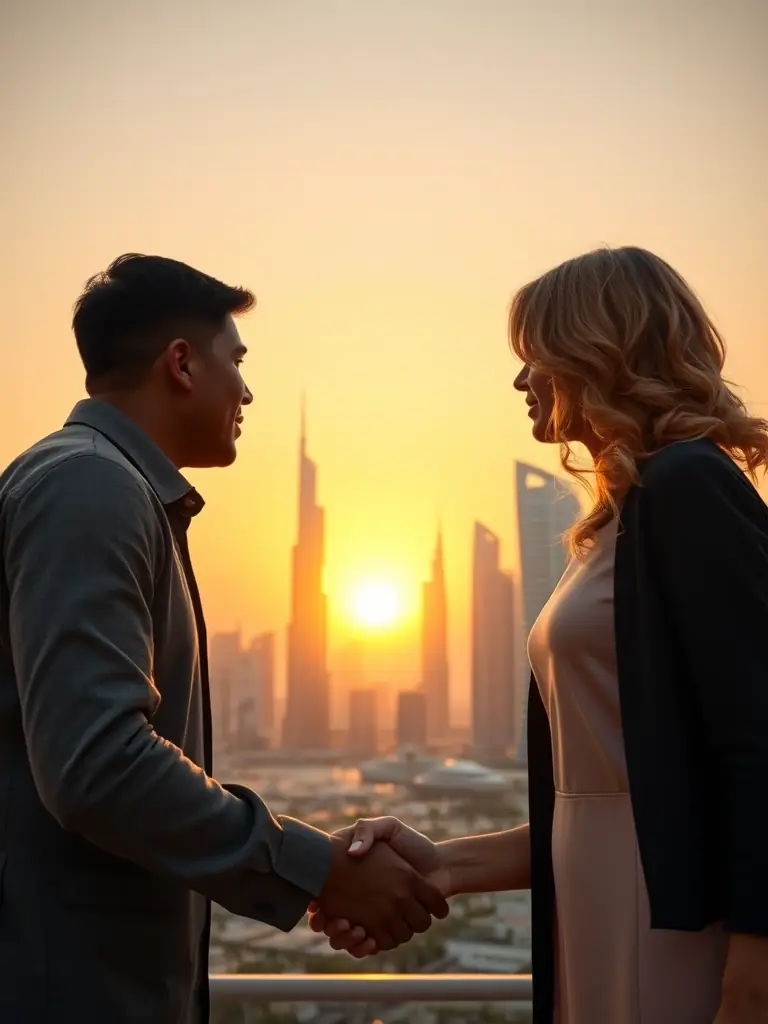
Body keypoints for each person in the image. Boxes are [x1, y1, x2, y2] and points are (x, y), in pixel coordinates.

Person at [309, 246, 768, 1024]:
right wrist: (445, 863)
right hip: (594, 907)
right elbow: (599, 797)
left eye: (535, 357)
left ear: (598, 351)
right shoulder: (614, 526)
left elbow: (760, 748)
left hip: (679, 928)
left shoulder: (691, 485)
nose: (520, 381)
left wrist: (753, 982)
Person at [0, 254, 448, 1023]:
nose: (246, 390)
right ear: (181, 363)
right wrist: (317, 869)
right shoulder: (91, 486)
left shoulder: (110, 487)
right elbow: (98, 764)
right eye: (235, 361)